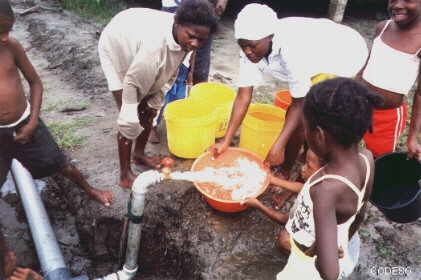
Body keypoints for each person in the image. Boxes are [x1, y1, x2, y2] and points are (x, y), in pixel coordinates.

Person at [208, 4, 368, 180]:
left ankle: (288, 170)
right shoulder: (249, 46)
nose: (247, 51)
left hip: (340, 54)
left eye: (252, 46)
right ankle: (302, 155)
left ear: (269, 37)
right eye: (242, 45)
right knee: (302, 120)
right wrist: (226, 140)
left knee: (311, 119)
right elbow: (243, 96)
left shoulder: (292, 48)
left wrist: (278, 145)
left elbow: (299, 105)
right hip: (316, 52)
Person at [0, 0, 113, 206]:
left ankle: (89, 189)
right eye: (1, 31)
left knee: (59, 163)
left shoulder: (11, 47)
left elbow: (35, 83)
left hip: (26, 123)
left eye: (9, 30)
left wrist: (33, 121)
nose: (6, 36)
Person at [98, 0, 218, 188]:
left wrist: (154, 102)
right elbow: (132, 84)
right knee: (129, 116)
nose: (196, 44)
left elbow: (170, 74)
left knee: (150, 109)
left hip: (139, 43)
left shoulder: (185, 39)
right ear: (177, 25)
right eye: (192, 37)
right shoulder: (153, 48)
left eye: (202, 40)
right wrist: (133, 110)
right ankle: (124, 175)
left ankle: (138, 155)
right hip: (117, 44)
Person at [275, 78, 379, 279]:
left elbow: (329, 272)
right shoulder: (366, 159)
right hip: (341, 240)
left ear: (319, 135)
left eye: (306, 130)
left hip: (308, 269)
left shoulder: (325, 189)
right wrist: (340, 244)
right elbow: (360, 214)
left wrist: (319, 253)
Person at [148, 0, 229, 144]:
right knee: (161, 92)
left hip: (185, 67)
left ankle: (182, 122)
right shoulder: (171, 33)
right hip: (177, 7)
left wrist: (191, 71)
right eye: (192, 37)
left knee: (180, 97)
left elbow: (195, 52)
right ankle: (152, 125)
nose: (195, 42)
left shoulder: (196, 40)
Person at [359, 0, 421, 159]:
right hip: (358, 105)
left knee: (378, 159)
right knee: (343, 145)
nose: (397, 5)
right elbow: (366, 66)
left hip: (387, 118)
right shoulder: (383, 27)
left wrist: (412, 138)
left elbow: (420, 94)